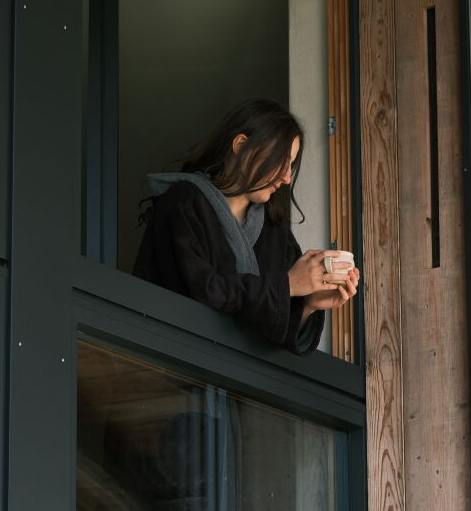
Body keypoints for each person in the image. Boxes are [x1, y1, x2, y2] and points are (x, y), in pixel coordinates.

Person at [133, 98, 359, 355]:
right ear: (241, 145)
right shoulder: (183, 203)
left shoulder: (275, 231)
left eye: (290, 166)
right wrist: (286, 286)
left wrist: (307, 305)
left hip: (240, 390)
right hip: (175, 371)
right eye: (280, 161)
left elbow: (278, 337)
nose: (286, 178)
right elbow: (197, 294)